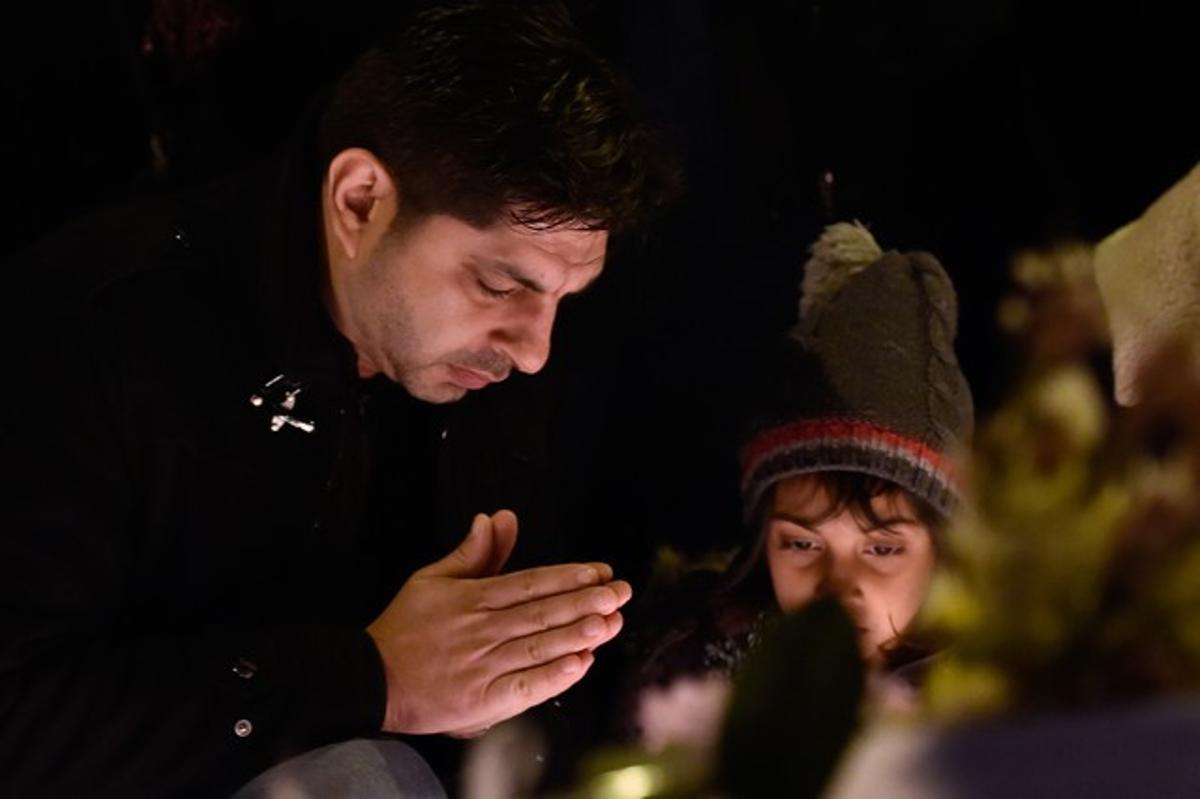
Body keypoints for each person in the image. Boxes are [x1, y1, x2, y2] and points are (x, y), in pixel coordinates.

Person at [0, 2, 675, 796]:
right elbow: (21, 716)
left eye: (567, 298)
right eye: (498, 283)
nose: (533, 350)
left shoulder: (487, 371)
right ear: (360, 200)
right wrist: (373, 678)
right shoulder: (88, 334)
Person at [626, 222, 974, 752]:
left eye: (882, 548)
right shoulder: (684, 673)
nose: (836, 589)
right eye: (802, 543)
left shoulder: (1000, 714)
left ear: (943, 551)